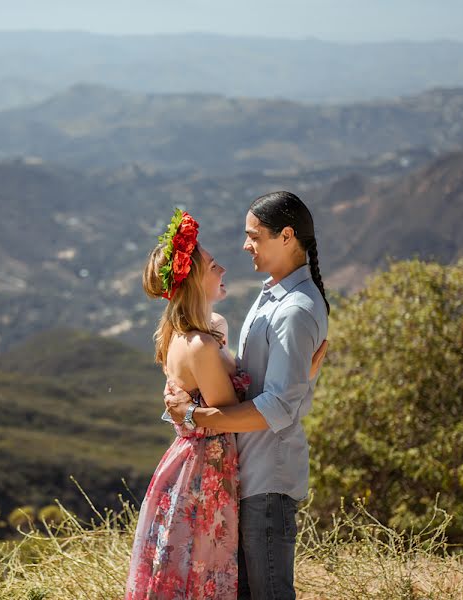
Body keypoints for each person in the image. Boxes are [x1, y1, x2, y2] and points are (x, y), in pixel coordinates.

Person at [125, 207, 326, 600]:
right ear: (197, 279)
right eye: (214, 266)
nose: (223, 269)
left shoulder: (208, 330)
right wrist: (301, 379)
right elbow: (228, 414)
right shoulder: (200, 343)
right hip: (207, 470)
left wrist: (299, 374)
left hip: (212, 465)